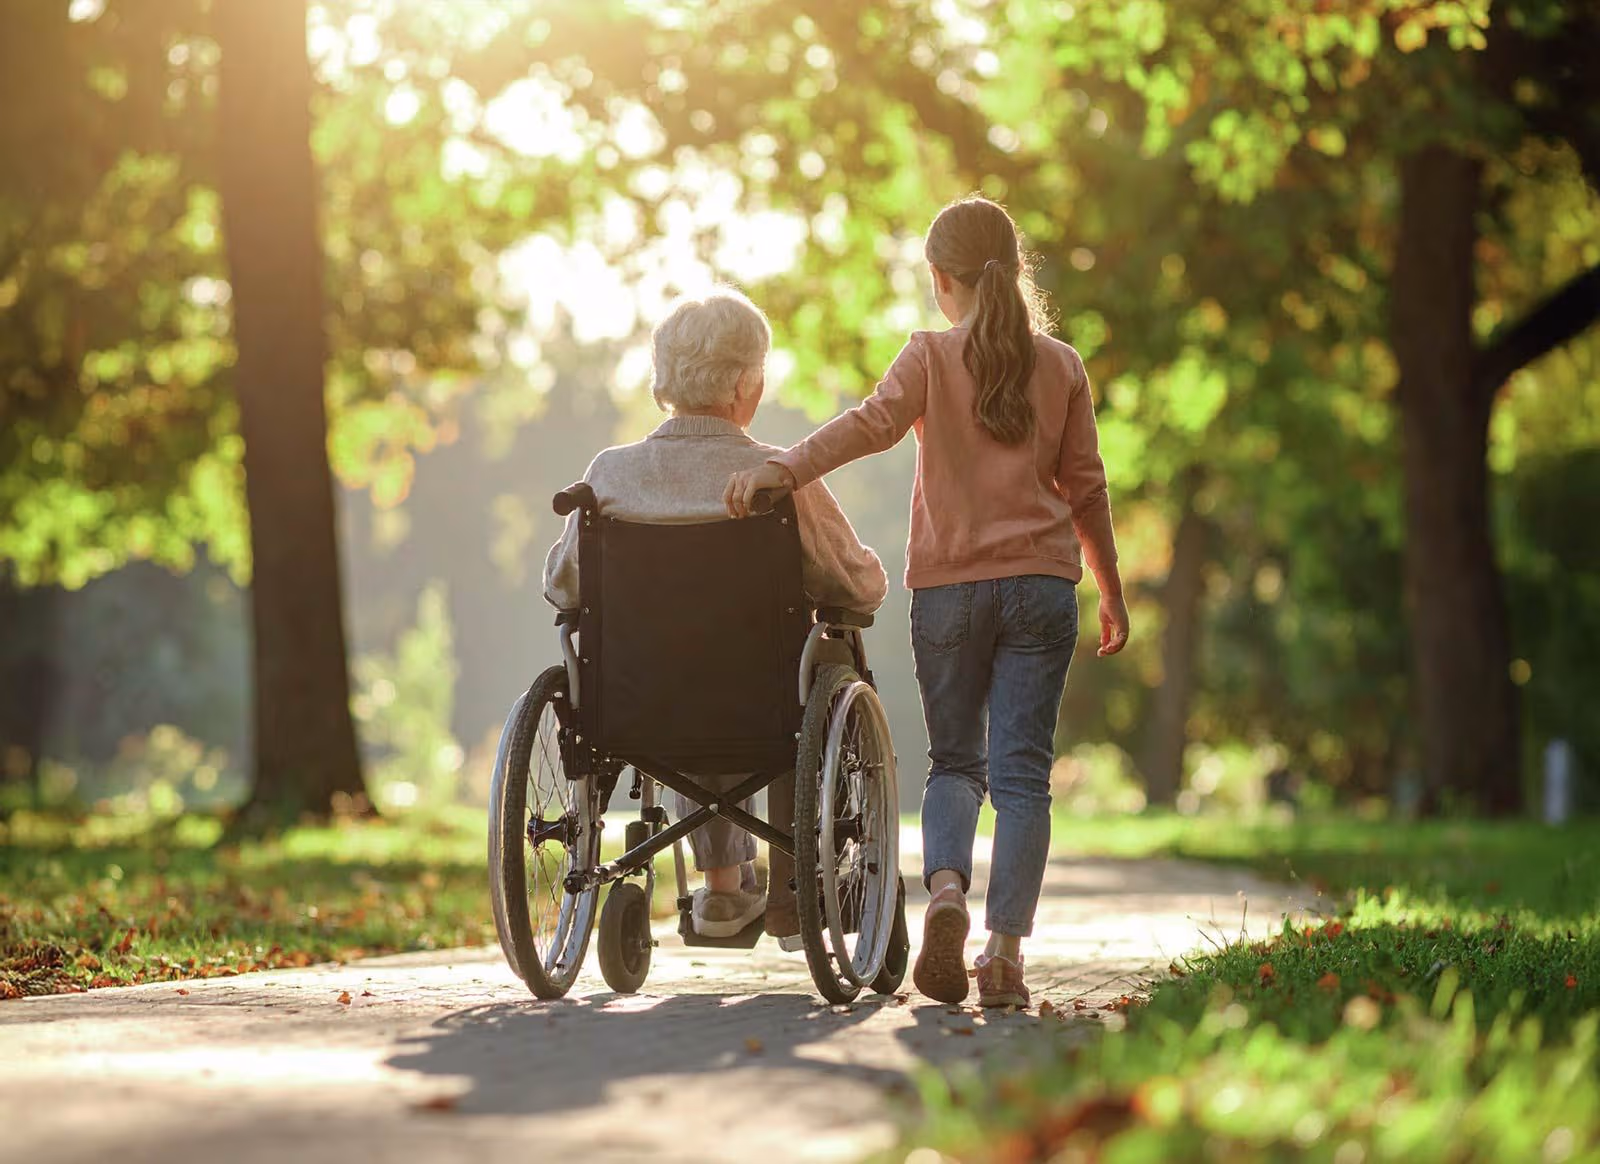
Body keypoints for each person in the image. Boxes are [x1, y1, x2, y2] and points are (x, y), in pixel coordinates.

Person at [726, 196, 1129, 1006]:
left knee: (955, 764)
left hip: (948, 591)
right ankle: (1004, 957)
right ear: (1013, 270)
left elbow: (868, 425)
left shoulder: (930, 357)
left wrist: (785, 469)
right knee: (1023, 777)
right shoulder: (1061, 365)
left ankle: (947, 893)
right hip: (1042, 588)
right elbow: (1087, 489)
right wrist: (1112, 590)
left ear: (942, 281)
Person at [544, 288, 887, 940]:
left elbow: (563, 587)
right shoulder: (776, 476)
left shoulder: (610, 476)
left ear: (665, 379)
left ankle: (724, 890)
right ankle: (793, 889)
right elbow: (858, 586)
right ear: (740, 386)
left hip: (638, 702)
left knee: (685, 669)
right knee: (797, 667)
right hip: (763, 703)